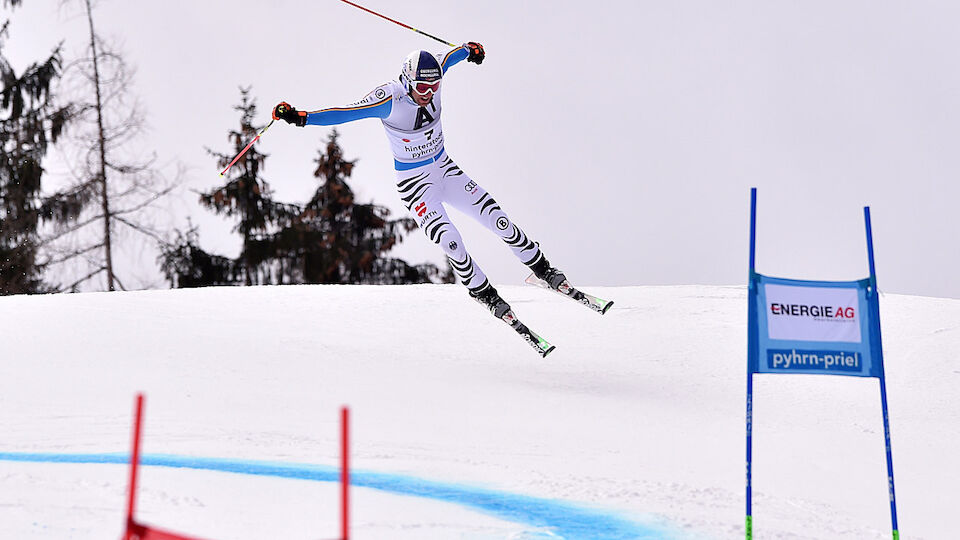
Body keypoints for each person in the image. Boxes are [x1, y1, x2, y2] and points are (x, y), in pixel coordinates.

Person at [272, 42, 572, 321]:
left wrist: (471, 50)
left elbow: (454, 55)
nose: (428, 92)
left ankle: (542, 269)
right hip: (416, 184)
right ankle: (484, 293)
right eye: (422, 86)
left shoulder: (435, 73)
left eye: (434, 85)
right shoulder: (389, 98)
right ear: (407, 81)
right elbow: (345, 113)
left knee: (498, 219)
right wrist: (301, 117)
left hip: (445, 170)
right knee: (452, 242)